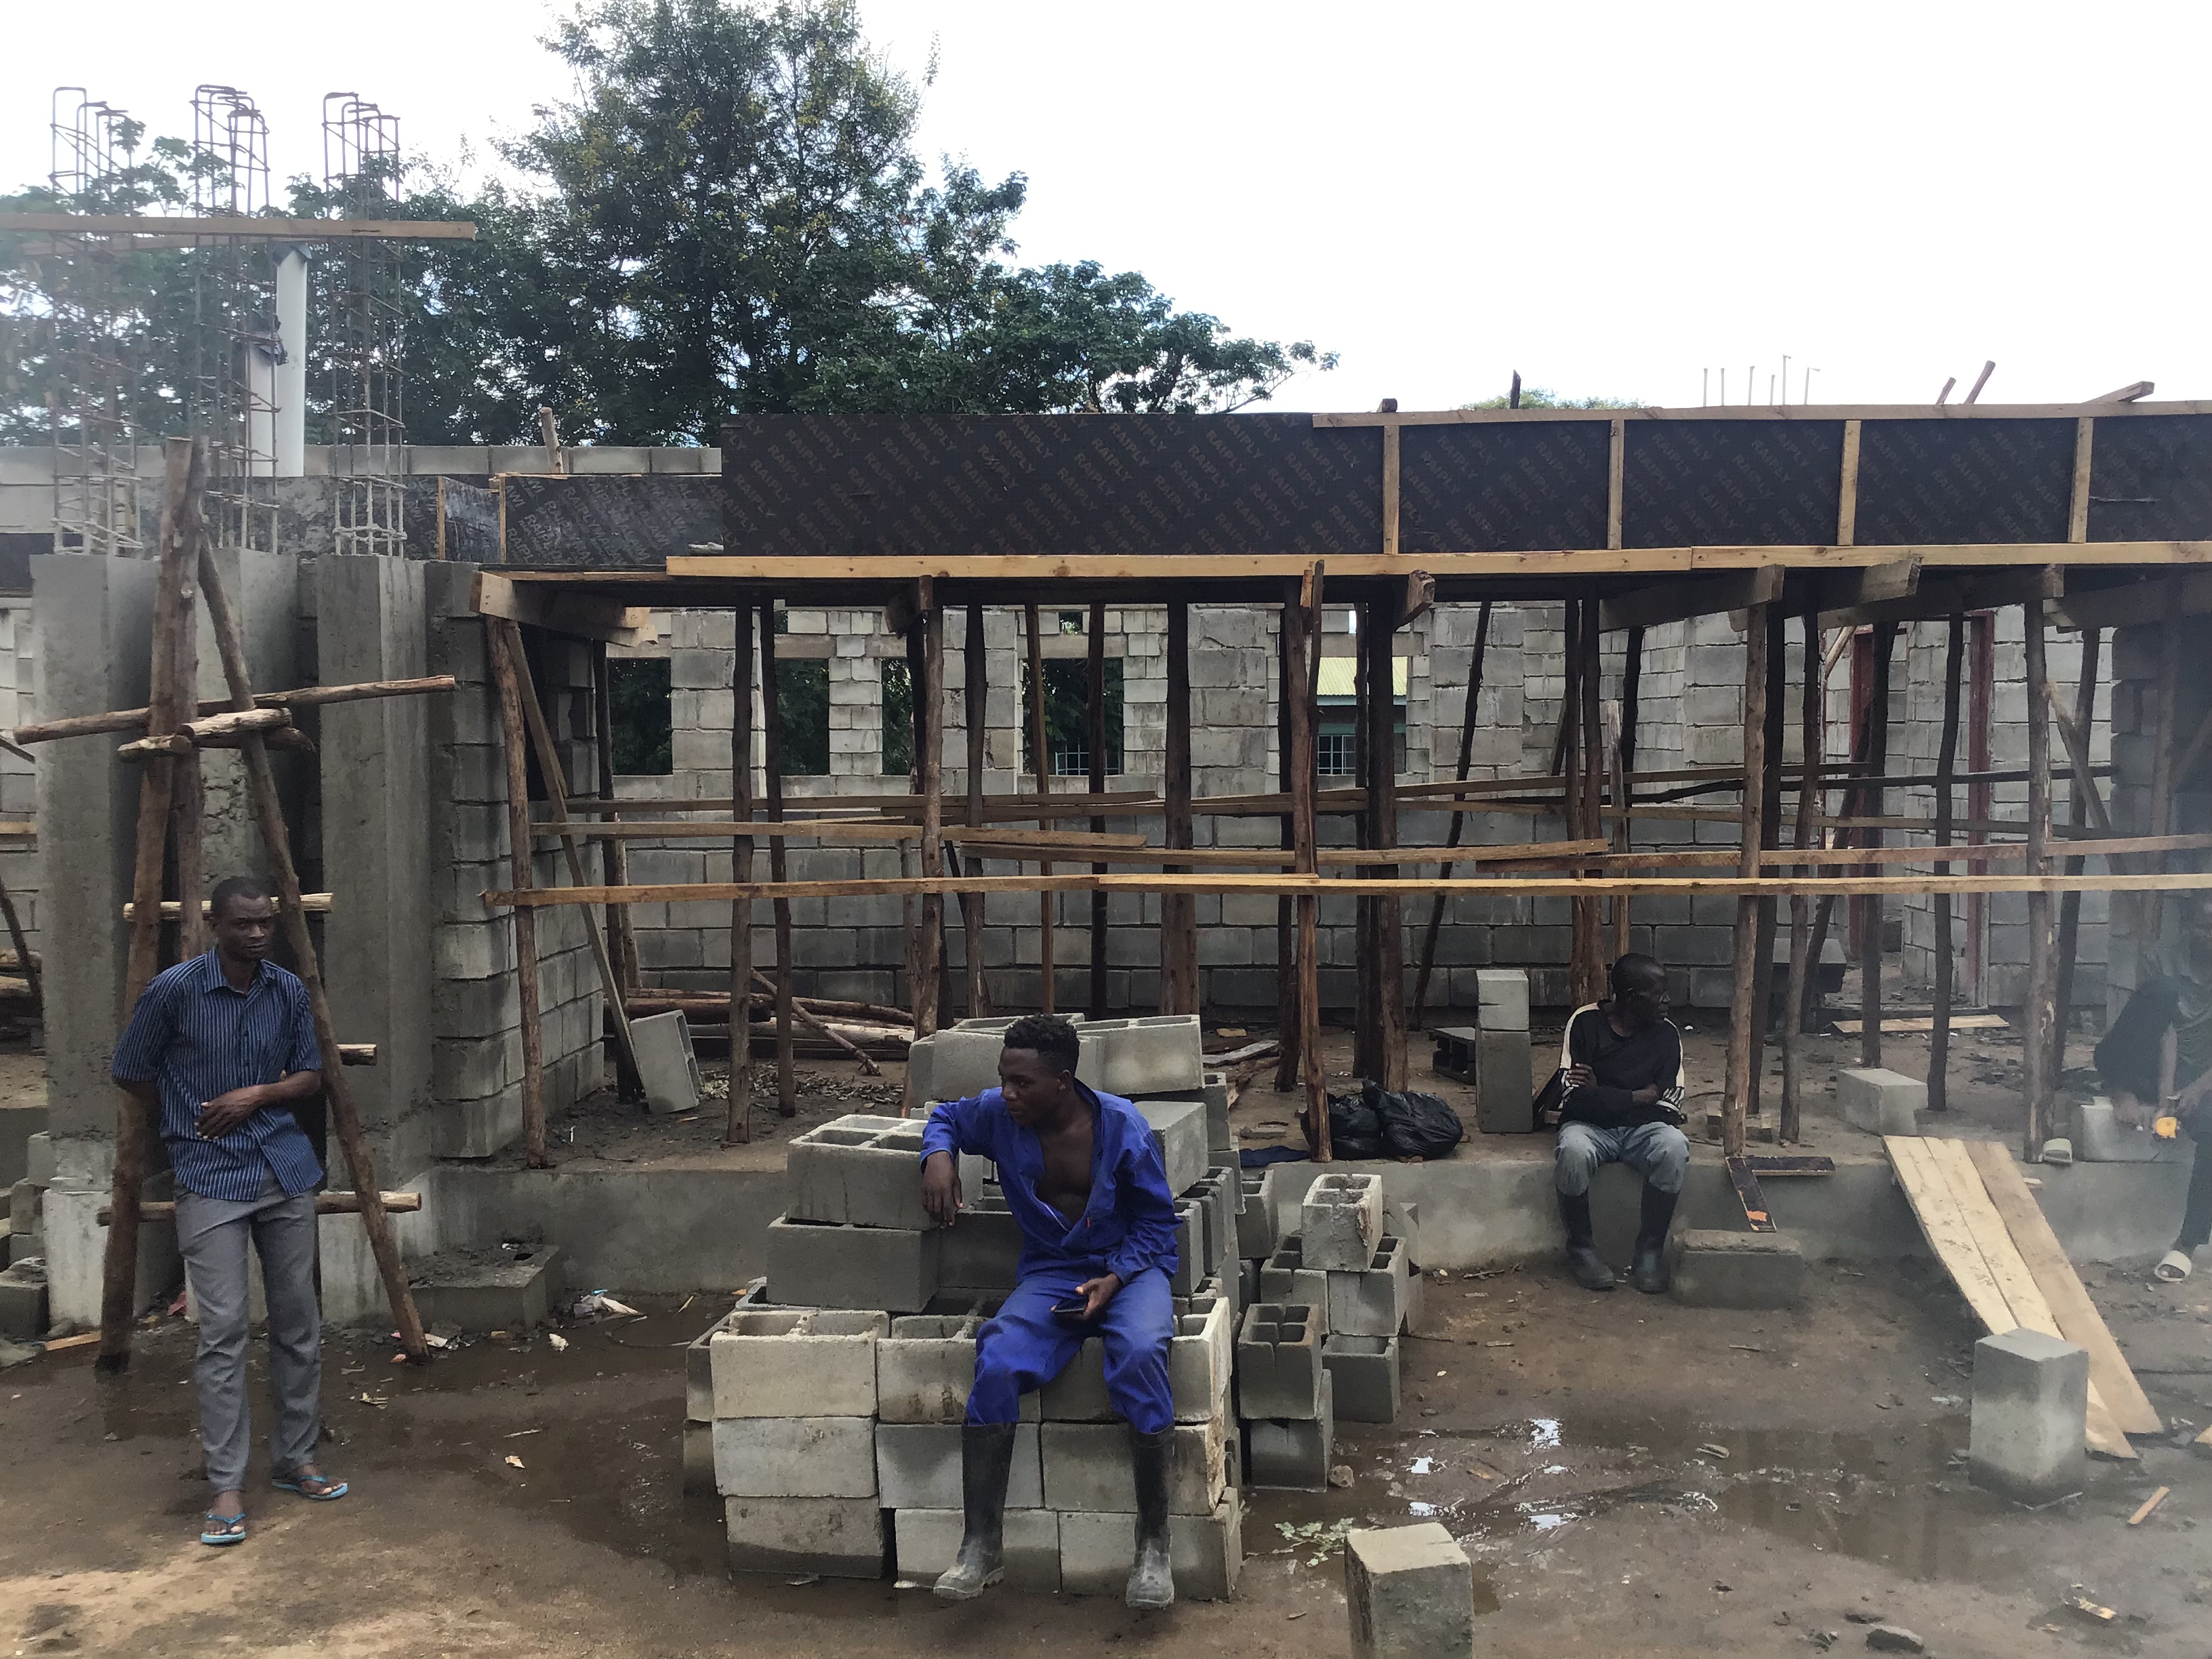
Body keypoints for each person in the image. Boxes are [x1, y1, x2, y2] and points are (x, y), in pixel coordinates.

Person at [918, 1014, 1181, 1610]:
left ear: (1062, 1082)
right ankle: (981, 1546)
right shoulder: (999, 1114)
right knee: (1001, 1354)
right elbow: (946, 1117)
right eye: (1003, 1079)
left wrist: (1114, 1280)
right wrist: (937, 1156)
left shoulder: (1122, 1127)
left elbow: (1158, 1223)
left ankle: (1153, 1544)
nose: (1008, 1093)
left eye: (1022, 1083)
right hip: (1054, 1269)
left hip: (1128, 1267)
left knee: (1140, 1352)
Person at [112, 876, 345, 1547]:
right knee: (222, 1333)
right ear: (215, 925)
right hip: (210, 1174)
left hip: (284, 1168)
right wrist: (183, 1118)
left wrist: (254, 1096)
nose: (257, 933)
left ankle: (297, 1458)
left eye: (265, 923)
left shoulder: (287, 990)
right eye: (243, 924)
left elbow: (311, 1074)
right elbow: (129, 1067)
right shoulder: (174, 991)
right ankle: (227, 1485)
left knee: (299, 1322)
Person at [1553, 952, 1690, 1294]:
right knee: (1572, 1149)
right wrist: (1636, 1097)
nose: (1667, 1001)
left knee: (1673, 1146)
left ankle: (1649, 1251)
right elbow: (1572, 1098)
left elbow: (1669, 1106)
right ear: (1630, 996)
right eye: (1658, 994)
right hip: (1590, 1128)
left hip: (1641, 1131)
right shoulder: (1585, 1022)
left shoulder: (1667, 1035)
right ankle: (1581, 1248)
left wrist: (1602, 1093)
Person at [2095, 893, 2212, 1282]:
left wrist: (2195, 1090)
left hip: (2205, 1077)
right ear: (2190, 928)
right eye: (2204, 927)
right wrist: (2163, 1101)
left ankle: (2186, 1245)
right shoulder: (2166, 965)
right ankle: (2124, 1092)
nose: (2210, 936)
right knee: (2157, 993)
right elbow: (2166, 1033)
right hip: (2151, 1065)